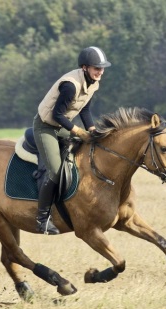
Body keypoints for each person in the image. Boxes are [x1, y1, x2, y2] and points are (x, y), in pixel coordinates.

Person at [33, 46, 111, 234]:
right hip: (46, 127)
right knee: (56, 172)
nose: (100, 71)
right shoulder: (70, 85)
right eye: (96, 68)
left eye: (101, 68)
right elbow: (57, 115)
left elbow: (84, 109)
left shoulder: (93, 82)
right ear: (85, 68)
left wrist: (91, 130)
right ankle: (42, 218)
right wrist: (78, 131)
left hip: (61, 127)